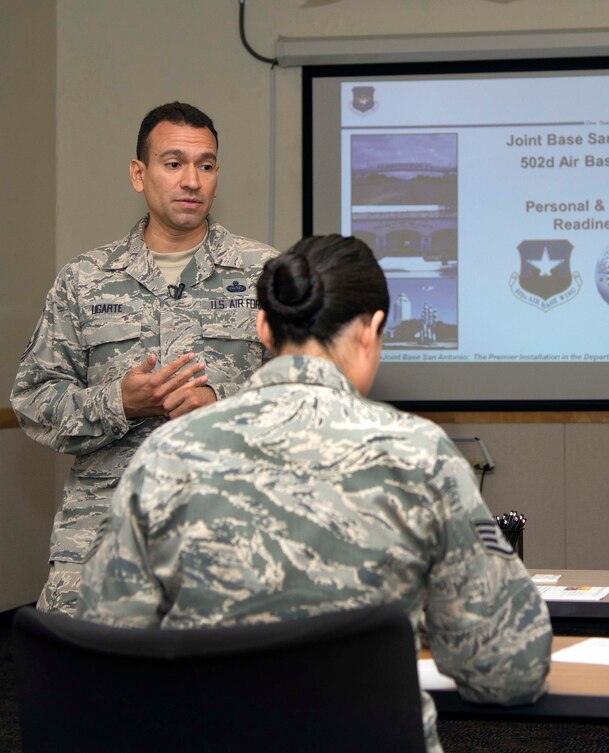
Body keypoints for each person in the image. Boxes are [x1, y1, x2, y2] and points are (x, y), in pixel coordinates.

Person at [77, 235, 552, 753]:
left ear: (262, 328)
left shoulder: (166, 454)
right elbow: (510, 668)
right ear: (371, 330)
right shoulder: (420, 455)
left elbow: (107, 657)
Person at [10, 102, 277, 615]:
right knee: (92, 688)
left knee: (229, 690)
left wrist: (219, 403)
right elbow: (33, 401)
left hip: (231, 533)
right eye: (173, 163)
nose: (191, 181)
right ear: (140, 173)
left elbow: (307, 396)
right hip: (103, 540)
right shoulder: (85, 279)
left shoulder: (266, 272)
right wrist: (119, 403)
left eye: (206, 165)